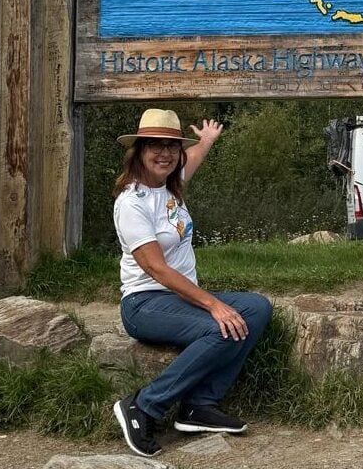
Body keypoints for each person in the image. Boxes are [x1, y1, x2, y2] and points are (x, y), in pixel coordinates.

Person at [111, 108, 273, 457]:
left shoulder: (171, 184)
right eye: (155, 145)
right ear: (138, 151)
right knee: (223, 325)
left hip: (176, 300)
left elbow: (193, 157)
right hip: (145, 303)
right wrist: (213, 304)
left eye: (172, 146)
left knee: (257, 308)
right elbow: (156, 269)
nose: (165, 153)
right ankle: (144, 406)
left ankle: (199, 405)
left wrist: (206, 141)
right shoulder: (132, 203)